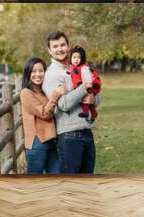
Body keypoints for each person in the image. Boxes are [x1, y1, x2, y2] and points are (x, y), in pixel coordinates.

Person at [42, 31, 100, 174]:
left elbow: (96, 94)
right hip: (68, 136)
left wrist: (94, 99)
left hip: (87, 131)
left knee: (87, 184)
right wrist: (84, 87)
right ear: (49, 51)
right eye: (55, 46)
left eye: (62, 45)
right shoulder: (51, 75)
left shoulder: (79, 67)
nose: (60, 49)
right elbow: (63, 104)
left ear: (68, 46)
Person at [20, 57, 67, 174]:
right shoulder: (26, 93)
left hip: (50, 140)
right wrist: (55, 95)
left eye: (41, 71)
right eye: (34, 71)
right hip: (38, 143)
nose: (38, 74)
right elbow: (45, 114)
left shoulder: (43, 92)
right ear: (28, 73)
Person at [69, 45, 101, 121]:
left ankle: (85, 112)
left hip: (89, 86)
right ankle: (94, 113)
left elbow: (88, 77)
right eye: (74, 58)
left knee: (85, 100)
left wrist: (89, 86)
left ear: (82, 59)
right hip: (83, 86)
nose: (76, 60)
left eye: (78, 58)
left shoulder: (84, 68)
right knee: (89, 102)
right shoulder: (72, 67)